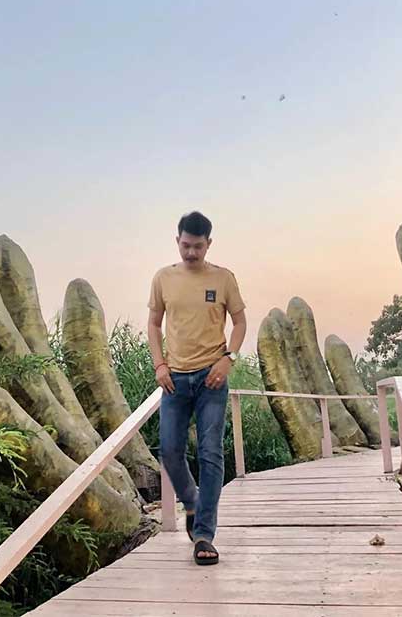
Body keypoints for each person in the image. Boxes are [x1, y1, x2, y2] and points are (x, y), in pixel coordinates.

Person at [147, 211, 247, 566]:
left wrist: (228, 359)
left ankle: (204, 533)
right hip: (174, 378)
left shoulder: (223, 278)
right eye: (186, 246)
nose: (192, 253)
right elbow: (154, 323)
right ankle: (191, 501)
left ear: (209, 244)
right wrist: (159, 364)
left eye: (198, 247)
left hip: (211, 378)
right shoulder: (163, 278)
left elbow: (239, 321)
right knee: (170, 451)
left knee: (210, 453)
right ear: (178, 241)